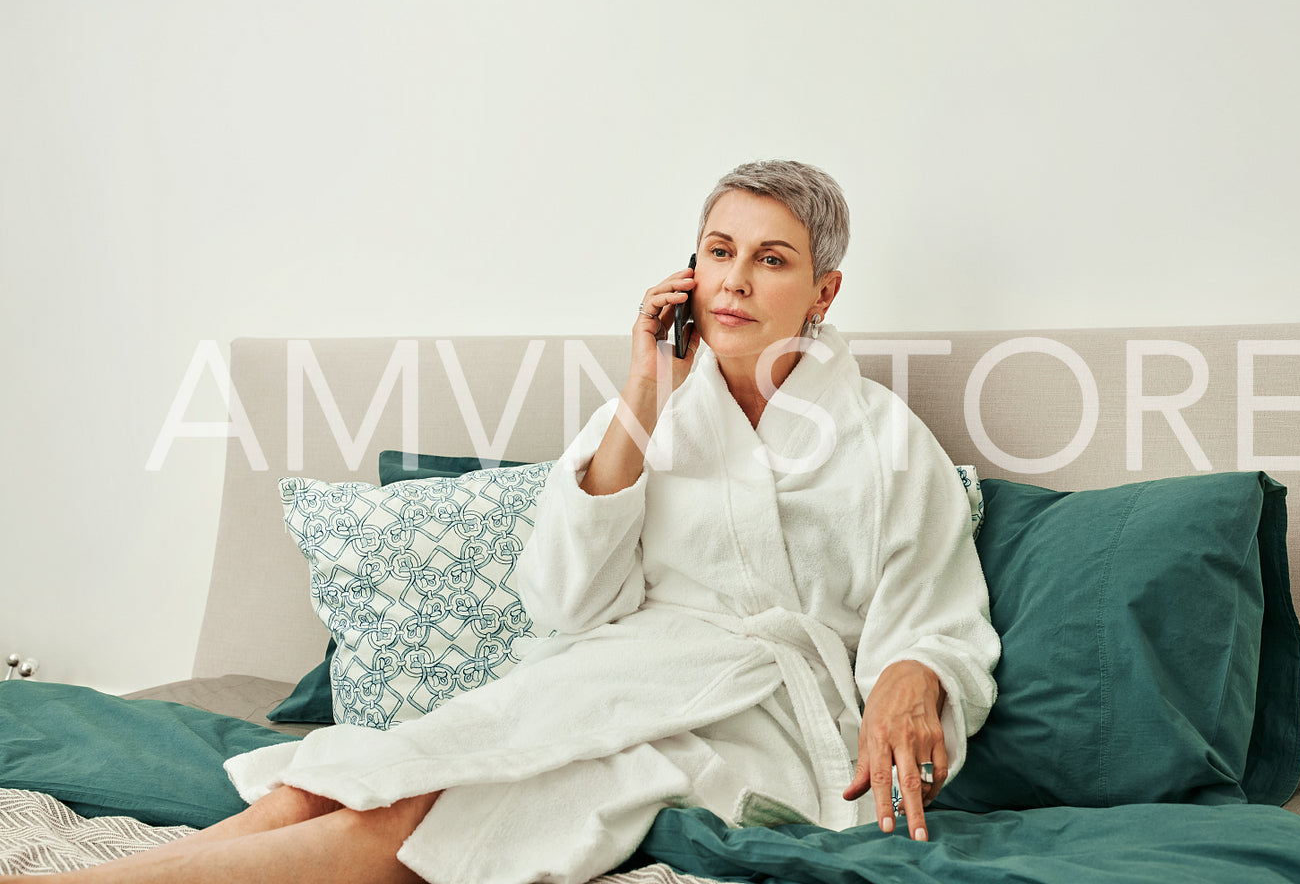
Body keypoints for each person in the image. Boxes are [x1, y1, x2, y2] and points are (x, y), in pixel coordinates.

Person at [11, 160, 999, 884]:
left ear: (823, 291)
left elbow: (934, 617)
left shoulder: (882, 438)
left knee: (422, 813)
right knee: (344, 774)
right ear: (688, 268)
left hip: (748, 717)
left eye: (771, 259)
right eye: (717, 250)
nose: (735, 279)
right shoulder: (655, 406)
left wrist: (914, 669)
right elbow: (566, 594)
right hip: (609, 672)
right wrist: (645, 389)